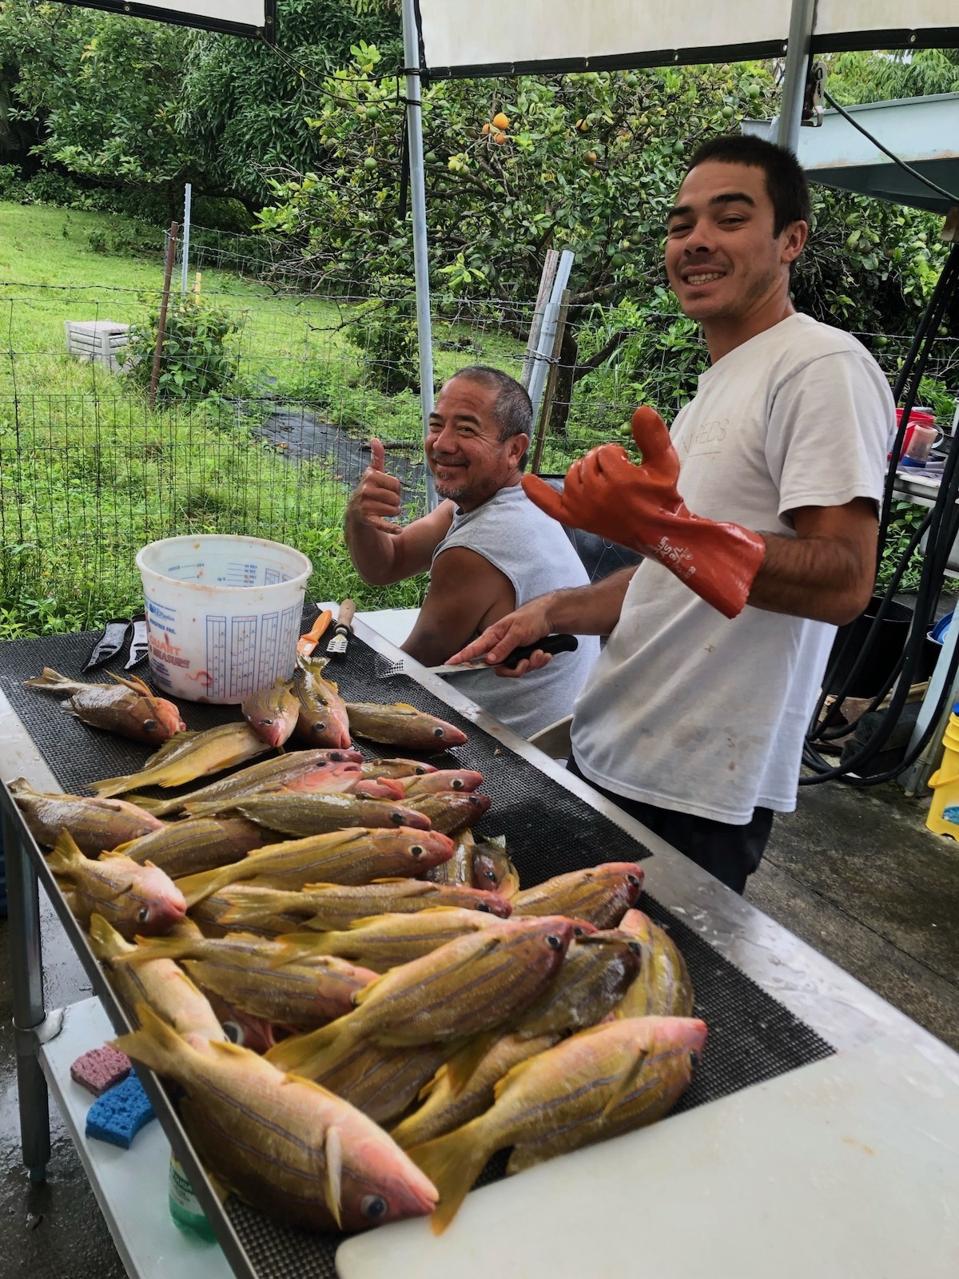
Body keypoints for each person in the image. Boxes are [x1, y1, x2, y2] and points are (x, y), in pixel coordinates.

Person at [448, 134, 894, 894]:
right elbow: (674, 575)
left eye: (728, 218)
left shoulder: (820, 366)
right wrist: (553, 611)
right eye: (680, 223)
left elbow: (844, 580)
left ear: (791, 240)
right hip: (615, 750)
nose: (694, 242)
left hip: (692, 790)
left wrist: (659, 529)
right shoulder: (715, 387)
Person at [344, 364, 600, 737]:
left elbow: (400, 672)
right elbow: (388, 564)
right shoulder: (507, 499)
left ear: (514, 449)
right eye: (437, 425)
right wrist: (359, 516)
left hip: (506, 752)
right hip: (559, 737)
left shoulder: (477, 551)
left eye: (466, 429)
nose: (442, 444)